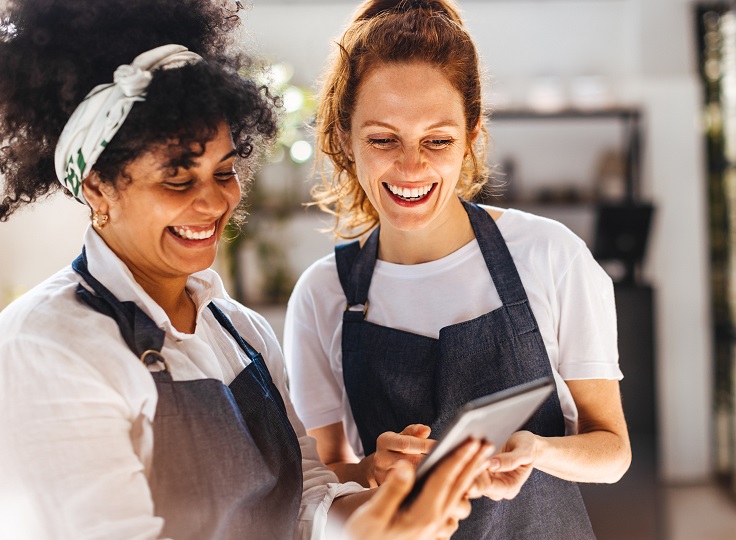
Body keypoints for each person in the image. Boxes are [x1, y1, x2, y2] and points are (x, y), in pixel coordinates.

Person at [0, 1, 494, 538]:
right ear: (98, 186)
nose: (213, 203)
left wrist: (377, 518)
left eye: (225, 170)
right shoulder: (49, 345)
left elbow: (303, 498)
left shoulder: (242, 333)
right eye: (178, 179)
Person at [283, 0, 633, 538]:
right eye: (382, 139)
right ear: (344, 140)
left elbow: (612, 451)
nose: (411, 167)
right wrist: (371, 470)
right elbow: (320, 475)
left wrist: (538, 450)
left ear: (470, 137)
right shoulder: (322, 294)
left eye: (438, 140)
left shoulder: (549, 255)